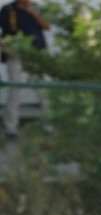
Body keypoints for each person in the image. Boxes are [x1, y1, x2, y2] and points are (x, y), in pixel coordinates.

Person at [0, 0, 50, 142]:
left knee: (42, 89)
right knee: (16, 90)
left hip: (37, 54)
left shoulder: (37, 8)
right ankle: (11, 128)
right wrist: (6, 45)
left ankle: (49, 123)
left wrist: (33, 12)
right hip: (17, 54)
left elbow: (47, 26)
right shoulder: (8, 9)